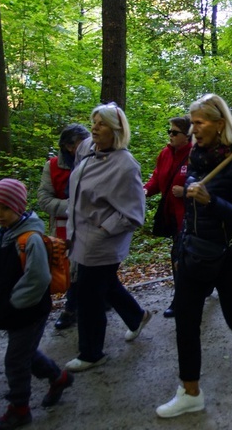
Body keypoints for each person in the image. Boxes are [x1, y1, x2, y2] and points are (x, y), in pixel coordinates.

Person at [156, 94, 232, 419]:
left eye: (200, 123)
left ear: (220, 124)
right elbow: (191, 213)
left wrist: (211, 201)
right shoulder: (197, 156)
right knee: (186, 320)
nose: (194, 130)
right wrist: (181, 248)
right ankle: (190, 391)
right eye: (191, 123)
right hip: (196, 252)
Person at [64, 102, 151, 373]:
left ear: (116, 129)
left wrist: (103, 229)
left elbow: (135, 213)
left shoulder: (125, 166)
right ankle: (137, 317)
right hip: (81, 236)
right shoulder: (88, 149)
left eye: (101, 124)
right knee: (106, 285)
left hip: (102, 244)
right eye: (94, 122)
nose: (94, 128)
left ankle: (91, 353)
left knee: (89, 297)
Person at [0, 179, 73, 429]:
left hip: (29, 311)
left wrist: (14, 304)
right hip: (12, 309)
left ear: (19, 207)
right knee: (24, 353)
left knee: (15, 360)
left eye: (5, 208)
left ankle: (19, 409)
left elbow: (38, 279)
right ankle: (59, 378)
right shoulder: (3, 235)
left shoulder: (30, 239)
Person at [37, 124, 90, 330]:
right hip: (62, 226)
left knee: (87, 267)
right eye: (81, 142)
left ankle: (72, 307)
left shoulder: (91, 162)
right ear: (69, 147)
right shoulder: (52, 166)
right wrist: (70, 207)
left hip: (89, 224)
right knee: (69, 268)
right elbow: (43, 198)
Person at [144, 116, 192, 318]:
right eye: (169, 132)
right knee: (182, 256)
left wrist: (187, 190)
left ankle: (180, 300)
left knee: (179, 256)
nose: (170, 135)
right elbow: (157, 177)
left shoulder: (195, 154)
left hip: (190, 217)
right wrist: (144, 191)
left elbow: (209, 184)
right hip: (170, 215)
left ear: (187, 135)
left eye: (174, 132)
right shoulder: (165, 153)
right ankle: (200, 287)